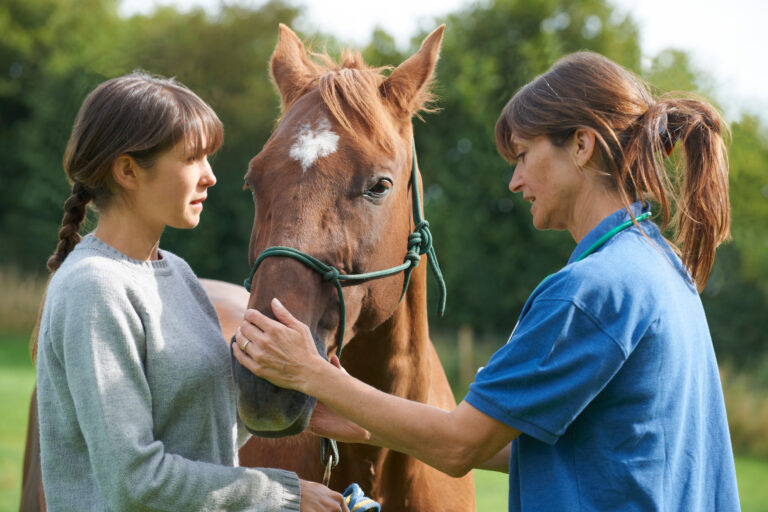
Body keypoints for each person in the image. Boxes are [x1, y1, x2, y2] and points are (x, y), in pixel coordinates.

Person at [233, 51, 740, 511]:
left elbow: (461, 445)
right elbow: (555, 447)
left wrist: (312, 374)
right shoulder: (660, 267)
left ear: (581, 145)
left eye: (522, 156)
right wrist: (367, 421)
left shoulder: (587, 293)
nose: (515, 180)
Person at [35, 72, 348, 511]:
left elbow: (199, 432)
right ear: (127, 170)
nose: (211, 177)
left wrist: (308, 408)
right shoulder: (95, 288)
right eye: (193, 159)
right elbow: (135, 481)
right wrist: (284, 495)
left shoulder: (177, 273)